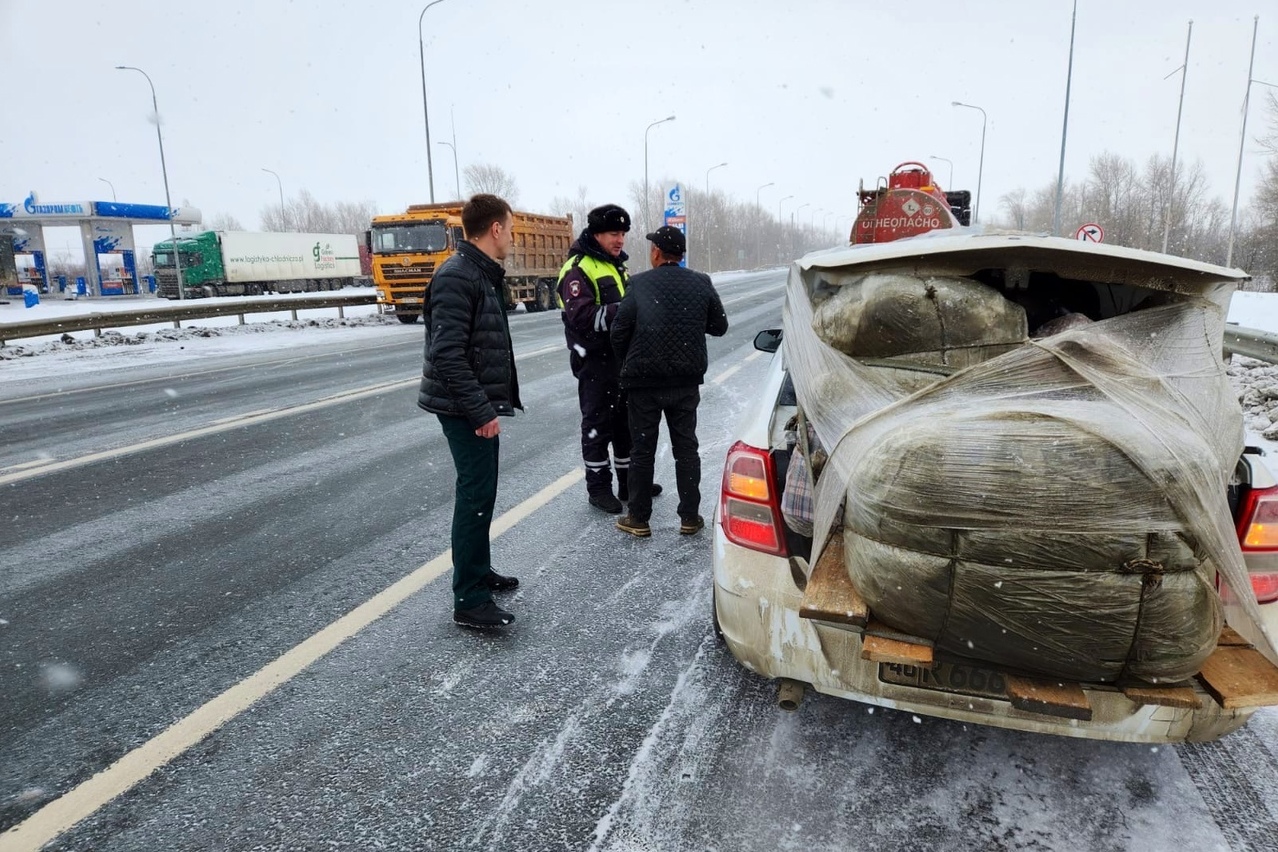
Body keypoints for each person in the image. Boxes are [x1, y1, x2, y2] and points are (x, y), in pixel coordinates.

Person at [418, 194, 523, 629]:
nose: (512, 238)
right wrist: (481, 411)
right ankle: (469, 599)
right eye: (511, 229)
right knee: (475, 497)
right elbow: (447, 353)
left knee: (482, 494)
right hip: (463, 407)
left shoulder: (478, 273)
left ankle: (478, 573)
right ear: (495, 229)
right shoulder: (458, 276)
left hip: (472, 402)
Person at [611, 225, 729, 537]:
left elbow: (619, 331)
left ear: (656, 253)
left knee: (642, 450)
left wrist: (628, 362)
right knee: (686, 448)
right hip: (685, 381)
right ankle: (690, 517)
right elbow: (720, 326)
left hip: (644, 383)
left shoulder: (637, 283)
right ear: (681, 254)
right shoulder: (701, 282)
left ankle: (638, 518)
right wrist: (689, 325)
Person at [556, 203, 661, 513]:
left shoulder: (616, 264)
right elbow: (583, 318)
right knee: (597, 426)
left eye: (624, 234)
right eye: (614, 233)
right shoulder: (578, 268)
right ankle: (598, 488)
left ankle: (629, 484)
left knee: (624, 425)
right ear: (597, 233)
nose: (620, 240)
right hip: (594, 362)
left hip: (621, 361)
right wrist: (627, 311)